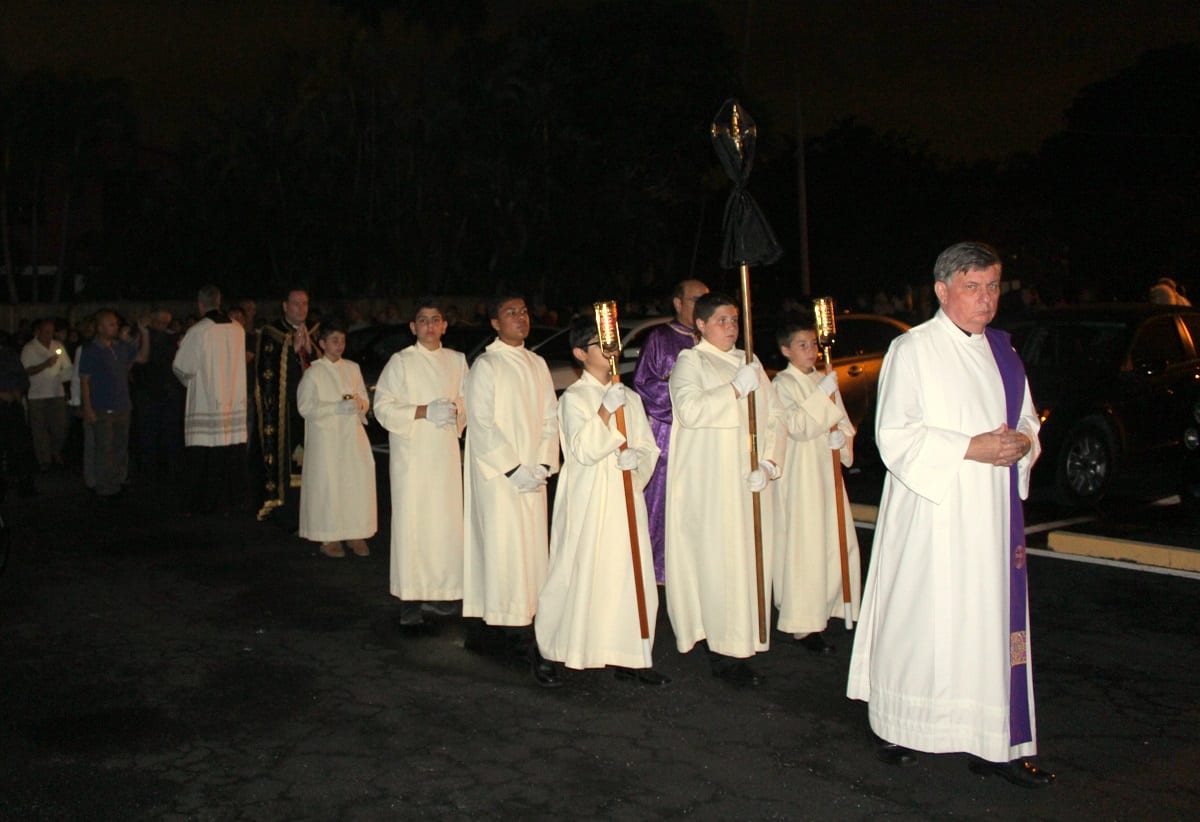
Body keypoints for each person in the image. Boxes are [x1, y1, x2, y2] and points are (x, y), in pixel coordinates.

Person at [846, 241, 1054, 788]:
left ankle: (991, 742)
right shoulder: (912, 350)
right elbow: (894, 434)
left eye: (992, 288)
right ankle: (896, 722)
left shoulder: (1005, 352)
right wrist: (971, 447)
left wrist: (1023, 442)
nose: (986, 300)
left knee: (987, 624)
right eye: (973, 287)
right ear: (942, 290)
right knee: (925, 620)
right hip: (932, 514)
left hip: (990, 514)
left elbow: (1029, 417)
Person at [535, 318, 667, 686]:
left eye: (613, 343)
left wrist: (636, 463)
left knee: (625, 572)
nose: (611, 350)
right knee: (576, 569)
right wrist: (606, 411)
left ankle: (628, 652)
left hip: (623, 496)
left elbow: (646, 446)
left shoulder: (630, 398)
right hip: (589, 498)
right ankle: (552, 649)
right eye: (600, 344)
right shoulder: (574, 398)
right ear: (580, 353)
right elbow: (583, 449)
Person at [665, 292, 784, 687]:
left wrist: (768, 462)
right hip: (712, 485)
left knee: (747, 562)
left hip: (747, 480)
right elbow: (691, 410)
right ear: (699, 325)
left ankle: (745, 640)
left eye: (734, 319)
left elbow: (775, 417)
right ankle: (723, 652)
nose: (730, 327)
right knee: (720, 565)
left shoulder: (751, 363)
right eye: (721, 320)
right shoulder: (690, 362)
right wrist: (734, 389)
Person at [462, 293, 560, 686]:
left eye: (524, 311)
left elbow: (551, 416)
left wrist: (542, 463)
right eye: (510, 312)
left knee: (532, 548)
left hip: (532, 472)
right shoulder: (486, 365)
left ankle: (534, 616)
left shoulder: (537, 363)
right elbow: (482, 424)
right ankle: (508, 627)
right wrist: (513, 467)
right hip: (499, 478)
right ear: (495, 324)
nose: (521, 317)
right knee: (504, 549)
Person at [373, 299, 468, 624]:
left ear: (444, 325)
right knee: (414, 524)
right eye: (423, 320)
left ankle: (442, 592)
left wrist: (455, 412)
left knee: (444, 525)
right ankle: (411, 597)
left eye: (435, 320)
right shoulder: (401, 362)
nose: (429, 326)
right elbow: (382, 406)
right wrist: (423, 411)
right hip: (412, 458)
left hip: (443, 455)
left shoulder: (457, 361)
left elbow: (469, 399)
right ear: (413, 327)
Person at [770, 316, 860, 655]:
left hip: (825, 471)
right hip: (801, 474)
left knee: (832, 537)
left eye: (813, 344)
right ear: (786, 350)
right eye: (802, 345)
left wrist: (841, 438)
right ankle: (803, 622)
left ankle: (835, 604)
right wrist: (823, 400)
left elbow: (844, 424)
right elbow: (796, 426)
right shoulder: (783, 384)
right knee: (805, 544)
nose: (811, 351)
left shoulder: (825, 380)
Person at [631, 279, 709, 583]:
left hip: (707, 435)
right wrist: (688, 404)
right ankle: (657, 570)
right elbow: (645, 383)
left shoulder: (710, 339)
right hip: (670, 432)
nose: (702, 305)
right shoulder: (660, 339)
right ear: (678, 303)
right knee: (662, 504)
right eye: (695, 300)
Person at [296, 321, 376, 558]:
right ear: (322, 343)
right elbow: (305, 407)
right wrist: (335, 408)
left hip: (351, 437)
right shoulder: (314, 372)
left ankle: (355, 531)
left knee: (353, 483)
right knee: (329, 486)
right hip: (327, 440)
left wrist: (359, 404)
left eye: (342, 340)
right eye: (334, 340)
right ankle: (328, 536)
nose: (339, 345)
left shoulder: (352, 368)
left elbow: (364, 398)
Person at [172, 286, 249, 515]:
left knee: (204, 454)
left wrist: (188, 381)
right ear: (219, 301)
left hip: (207, 400)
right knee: (230, 453)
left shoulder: (199, 331)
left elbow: (182, 366)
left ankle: (203, 503)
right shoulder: (238, 329)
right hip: (234, 400)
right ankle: (232, 500)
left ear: (200, 305)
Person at [255, 288, 318, 524]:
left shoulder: (314, 330)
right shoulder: (272, 332)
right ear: (285, 306)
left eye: (305, 303)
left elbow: (326, 365)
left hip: (310, 410)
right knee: (287, 456)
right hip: (285, 409)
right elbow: (266, 371)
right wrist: (291, 352)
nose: (301, 308)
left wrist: (311, 351)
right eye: (295, 304)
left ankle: (313, 510)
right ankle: (286, 511)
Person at [77, 310, 150, 500]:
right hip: (102, 407)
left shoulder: (120, 347)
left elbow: (142, 357)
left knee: (119, 447)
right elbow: (85, 380)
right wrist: (88, 407)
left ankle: (117, 481)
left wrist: (144, 333)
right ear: (100, 328)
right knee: (104, 449)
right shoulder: (91, 350)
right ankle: (105, 487)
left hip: (122, 405)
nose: (115, 327)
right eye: (111, 324)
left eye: (116, 324)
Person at [132, 308, 184, 477]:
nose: (162, 326)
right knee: (148, 431)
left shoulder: (174, 338)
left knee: (171, 431)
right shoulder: (141, 335)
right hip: (147, 390)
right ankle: (149, 468)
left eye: (166, 322)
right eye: (159, 322)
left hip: (169, 391)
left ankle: (172, 467)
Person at [21, 318, 73, 470]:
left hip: (57, 392)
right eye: (47, 332)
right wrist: (45, 365)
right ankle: (44, 459)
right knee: (40, 429)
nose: (50, 335)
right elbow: (25, 371)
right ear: (38, 332)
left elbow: (68, 368)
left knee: (60, 426)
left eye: (52, 332)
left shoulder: (58, 346)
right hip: (36, 394)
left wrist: (64, 378)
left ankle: (55, 450)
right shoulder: (29, 348)